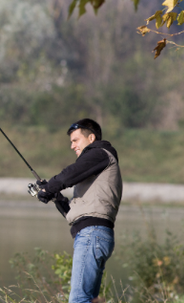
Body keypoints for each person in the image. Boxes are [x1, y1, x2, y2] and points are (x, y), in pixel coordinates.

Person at [36, 118, 122, 303]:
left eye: (75, 140)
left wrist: (49, 187)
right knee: (88, 299)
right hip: (93, 234)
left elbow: (71, 173)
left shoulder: (100, 153)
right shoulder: (97, 167)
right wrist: (55, 195)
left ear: (91, 138)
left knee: (79, 299)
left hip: (92, 235)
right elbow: (74, 213)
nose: (72, 146)